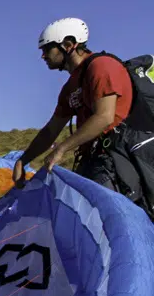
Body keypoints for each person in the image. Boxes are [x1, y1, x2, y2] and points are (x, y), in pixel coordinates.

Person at [11, 18, 153, 214]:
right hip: (91, 163)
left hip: (113, 163)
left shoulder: (102, 67)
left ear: (68, 45)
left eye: (47, 49)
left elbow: (104, 117)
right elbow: (52, 129)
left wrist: (62, 149)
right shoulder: (70, 87)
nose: (43, 56)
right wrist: (23, 160)